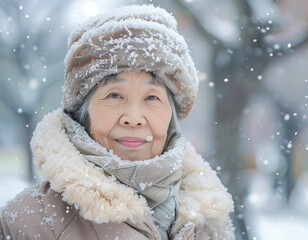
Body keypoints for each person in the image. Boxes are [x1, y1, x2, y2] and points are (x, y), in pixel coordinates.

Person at [0, 4, 235, 240]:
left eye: (152, 97)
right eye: (114, 95)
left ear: (171, 118)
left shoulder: (210, 221)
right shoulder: (26, 223)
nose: (133, 118)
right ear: (83, 113)